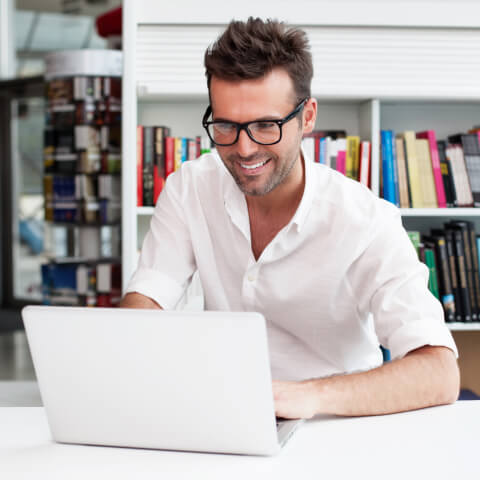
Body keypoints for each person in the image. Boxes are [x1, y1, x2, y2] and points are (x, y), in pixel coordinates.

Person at [120, 17, 459, 419]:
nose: (244, 149)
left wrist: (304, 397)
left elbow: (439, 373)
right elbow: (146, 298)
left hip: (338, 427)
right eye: (226, 125)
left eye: (267, 125)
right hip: (224, 416)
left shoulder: (366, 221)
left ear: (308, 117)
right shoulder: (190, 188)